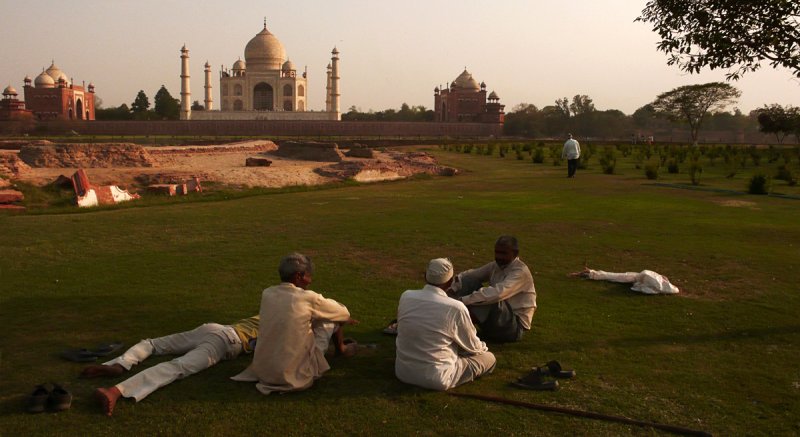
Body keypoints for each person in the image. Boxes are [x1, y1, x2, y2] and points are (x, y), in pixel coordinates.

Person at [231, 252, 358, 395]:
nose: (310, 280)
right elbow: (343, 312)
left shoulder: (267, 293)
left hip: (263, 372)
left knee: (311, 319)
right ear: (298, 276)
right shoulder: (308, 297)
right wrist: (338, 317)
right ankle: (341, 349)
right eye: (308, 275)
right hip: (292, 376)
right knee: (329, 320)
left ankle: (339, 348)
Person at [84, 315, 260, 416]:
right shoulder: (282, 322)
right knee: (177, 367)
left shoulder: (268, 310)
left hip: (215, 328)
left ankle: (121, 364)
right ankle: (115, 391)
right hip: (228, 341)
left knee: (153, 344)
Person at [395, 258, 496, 391]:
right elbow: (474, 347)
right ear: (450, 282)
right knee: (489, 358)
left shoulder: (406, 296)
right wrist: (482, 349)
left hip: (403, 372)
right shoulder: (455, 307)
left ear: (425, 276)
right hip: (437, 378)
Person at [448, 235, 536, 343]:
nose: (499, 256)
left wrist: (461, 301)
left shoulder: (520, 271)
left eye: (503, 253)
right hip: (496, 323)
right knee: (468, 281)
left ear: (515, 253)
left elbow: (497, 294)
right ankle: (446, 316)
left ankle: (453, 326)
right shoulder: (496, 266)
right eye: (497, 252)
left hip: (514, 328)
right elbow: (469, 275)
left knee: (491, 298)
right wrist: (451, 288)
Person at [569, 266, 679, 294]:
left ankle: (590, 273)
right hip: (637, 277)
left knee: (615, 276)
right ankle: (590, 273)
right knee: (615, 276)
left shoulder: (666, 287)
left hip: (637, 277)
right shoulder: (666, 287)